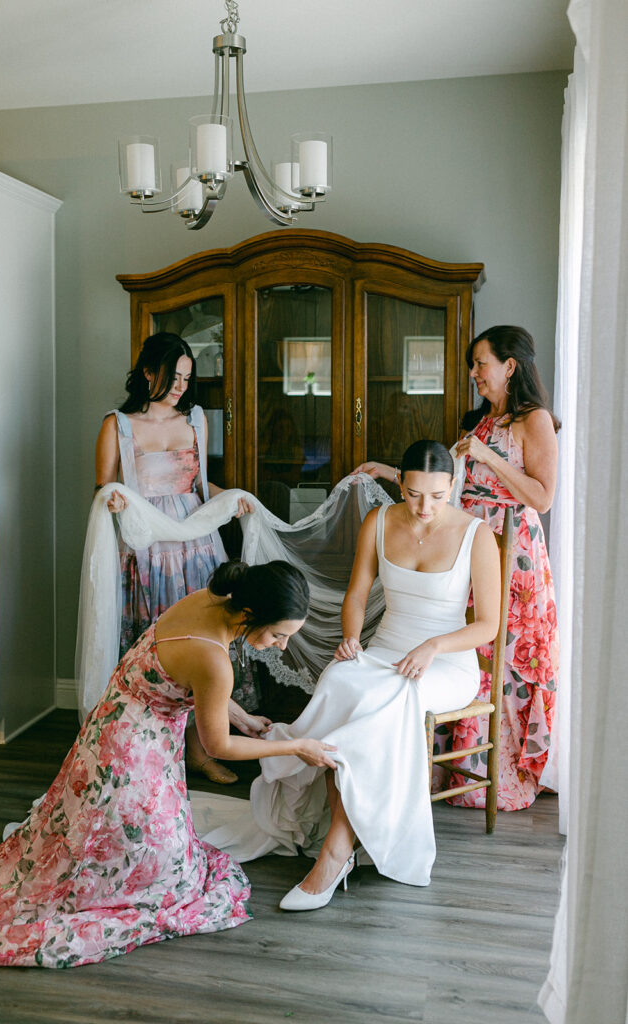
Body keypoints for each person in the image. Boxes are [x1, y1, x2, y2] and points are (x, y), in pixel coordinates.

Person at [0, 562, 336, 968]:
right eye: (279, 635)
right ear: (249, 615)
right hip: (135, 751)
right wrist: (297, 747)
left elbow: (192, 679)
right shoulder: (215, 661)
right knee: (156, 866)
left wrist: (245, 719)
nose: (282, 646)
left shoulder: (209, 600)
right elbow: (216, 744)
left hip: (111, 721)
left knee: (103, 831)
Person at [202, 441, 500, 906]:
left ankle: (336, 853)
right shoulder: (379, 522)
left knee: (393, 698)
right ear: (399, 482)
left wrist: (433, 646)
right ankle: (347, 834)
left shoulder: (476, 535)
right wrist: (352, 637)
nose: (426, 507)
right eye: (416, 493)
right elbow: (357, 594)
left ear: (452, 487)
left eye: (439, 496)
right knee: (340, 680)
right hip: (386, 651)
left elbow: (488, 625)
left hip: (445, 661)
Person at [352, 325, 560, 811]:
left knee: (508, 658)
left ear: (509, 366)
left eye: (480, 363)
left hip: (513, 556)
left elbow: (543, 498)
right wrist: (390, 473)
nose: (473, 374)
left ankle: (504, 774)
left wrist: (488, 455)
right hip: (461, 546)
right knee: (469, 657)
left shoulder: (535, 421)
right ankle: (446, 766)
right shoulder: (480, 420)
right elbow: (443, 480)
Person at [94, 331, 251, 785]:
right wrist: (114, 500)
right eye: (173, 376)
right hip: (147, 549)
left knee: (202, 642)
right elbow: (103, 489)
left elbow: (200, 488)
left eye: (187, 376)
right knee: (152, 645)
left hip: (196, 544)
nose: (181, 385)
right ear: (148, 373)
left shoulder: (196, 420)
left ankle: (202, 752)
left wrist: (237, 499)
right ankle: (150, 756)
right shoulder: (117, 426)